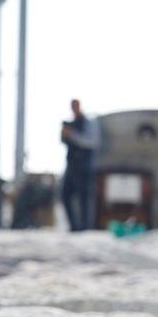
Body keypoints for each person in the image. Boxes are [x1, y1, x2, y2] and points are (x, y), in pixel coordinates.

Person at [61, 98, 100, 231]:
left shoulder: (88, 123)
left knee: (84, 198)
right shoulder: (70, 123)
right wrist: (64, 134)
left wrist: (72, 135)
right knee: (65, 194)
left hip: (84, 166)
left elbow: (92, 142)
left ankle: (85, 227)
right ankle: (74, 227)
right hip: (71, 164)